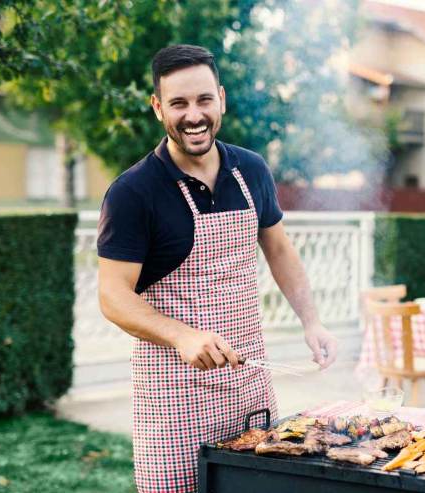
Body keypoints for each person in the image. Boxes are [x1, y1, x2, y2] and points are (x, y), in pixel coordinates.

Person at [97, 44, 338, 493]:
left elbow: (280, 250)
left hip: (248, 383)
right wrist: (182, 336)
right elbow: (113, 297)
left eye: (204, 99)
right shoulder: (133, 192)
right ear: (157, 107)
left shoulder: (251, 169)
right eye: (179, 103)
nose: (194, 115)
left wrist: (312, 321)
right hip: (173, 397)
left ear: (221, 99)